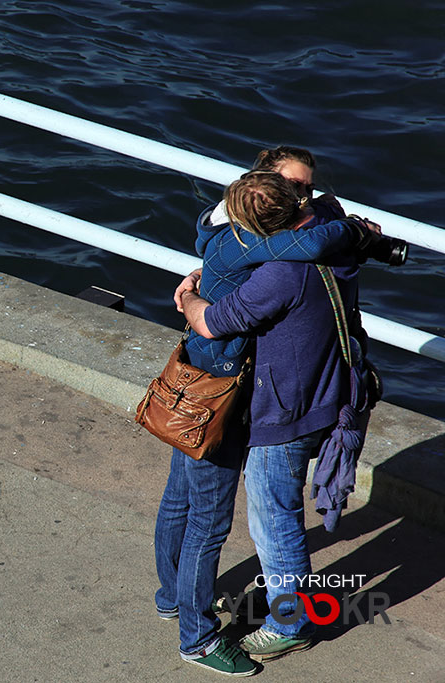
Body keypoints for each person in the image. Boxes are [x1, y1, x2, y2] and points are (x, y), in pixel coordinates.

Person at [153, 167, 373, 676]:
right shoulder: (332, 237)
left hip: (232, 403)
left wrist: (187, 295)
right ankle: (202, 631)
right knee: (226, 521)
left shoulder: (262, 264)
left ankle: (201, 612)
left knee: (210, 513)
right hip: (294, 403)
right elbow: (339, 231)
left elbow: (211, 319)